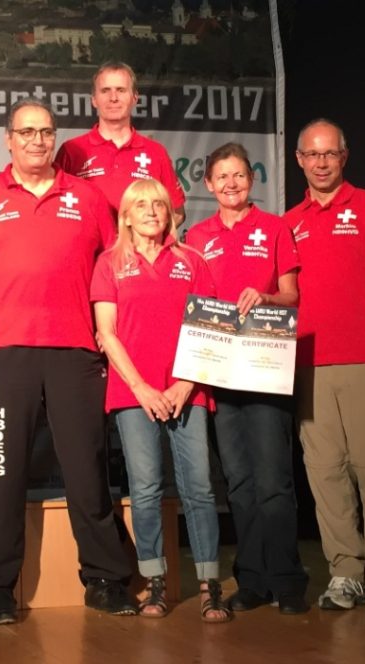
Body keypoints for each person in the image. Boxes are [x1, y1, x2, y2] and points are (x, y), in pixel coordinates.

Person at [0, 98, 137, 624]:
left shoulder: (87, 196)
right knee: (2, 474)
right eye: (26, 132)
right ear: (8, 139)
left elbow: (118, 263)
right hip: (2, 352)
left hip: (76, 349)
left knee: (85, 469)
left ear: (55, 139)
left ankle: (105, 578)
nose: (36, 141)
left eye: (45, 132)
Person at [283, 119, 365, 615]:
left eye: (329, 154)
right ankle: (344, 573)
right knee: (326, 475)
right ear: (299, 160)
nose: (321, 163)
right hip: (310, 367)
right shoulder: (288, 222)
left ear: (344, 156)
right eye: (312, 155)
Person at [91, 179, 229, 622]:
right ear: (126, 215)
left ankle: (210, 585)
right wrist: (144, 389)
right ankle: (154, 585)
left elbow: (208, 331)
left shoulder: (192, 261)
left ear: (170, 213)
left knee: (200, 489)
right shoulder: (109, 264)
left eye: (159, 204)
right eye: (141, 205)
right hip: (134, 394)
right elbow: (106, 334)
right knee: (146, 489)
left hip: (188, 389)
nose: (152, 211)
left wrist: (183, 385)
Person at [185, 142, 309, 614]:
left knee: (274, 478)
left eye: (239, 175)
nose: (231, 184)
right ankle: (253, 580)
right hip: (219, 372)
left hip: (265, 366)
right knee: (237, 482)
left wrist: (266, 297)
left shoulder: (275, 228)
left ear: (250, 180)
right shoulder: (196, 236)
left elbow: (292, 296)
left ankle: (288, 580)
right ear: (209, 184)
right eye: (222, 177)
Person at [55, 61, 186, 219]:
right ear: (94, 99)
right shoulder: (72, 150)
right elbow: (55, 211)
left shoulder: (155, 152)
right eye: (105, 91)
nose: (113, 98)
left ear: (135, 98)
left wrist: (140, 238)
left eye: (121, 90)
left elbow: (177, 214)